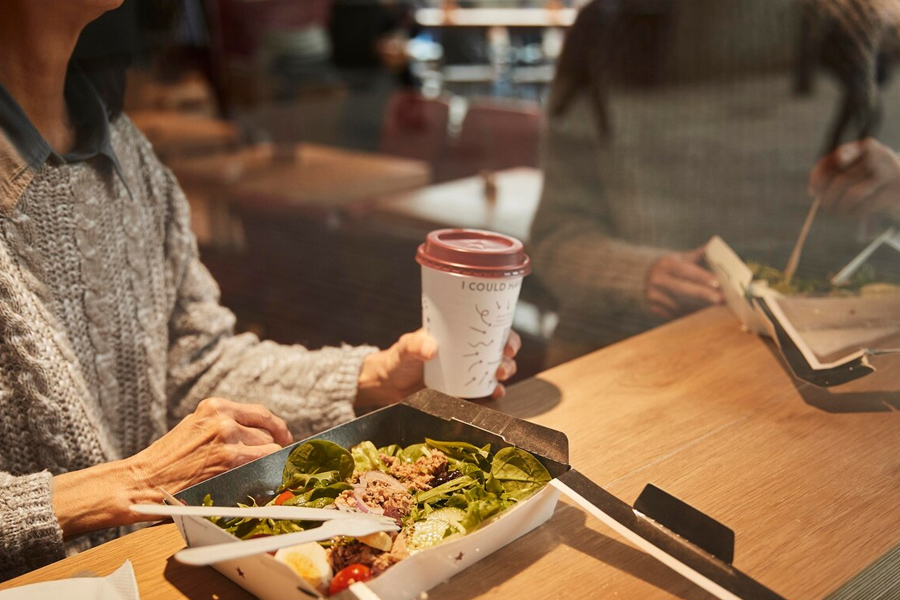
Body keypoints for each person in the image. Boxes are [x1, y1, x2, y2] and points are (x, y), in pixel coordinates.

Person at [0, 0, 520, 581]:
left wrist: (373, 377)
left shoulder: (127, 154)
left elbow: (196, 363)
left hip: (161, 568)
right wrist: (128, 483)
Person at [529, 0, 900, 366]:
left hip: (821, 356)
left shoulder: (870, 36)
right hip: (625, 348)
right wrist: (639, 277)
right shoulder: (603, 33)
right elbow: (555, 236)